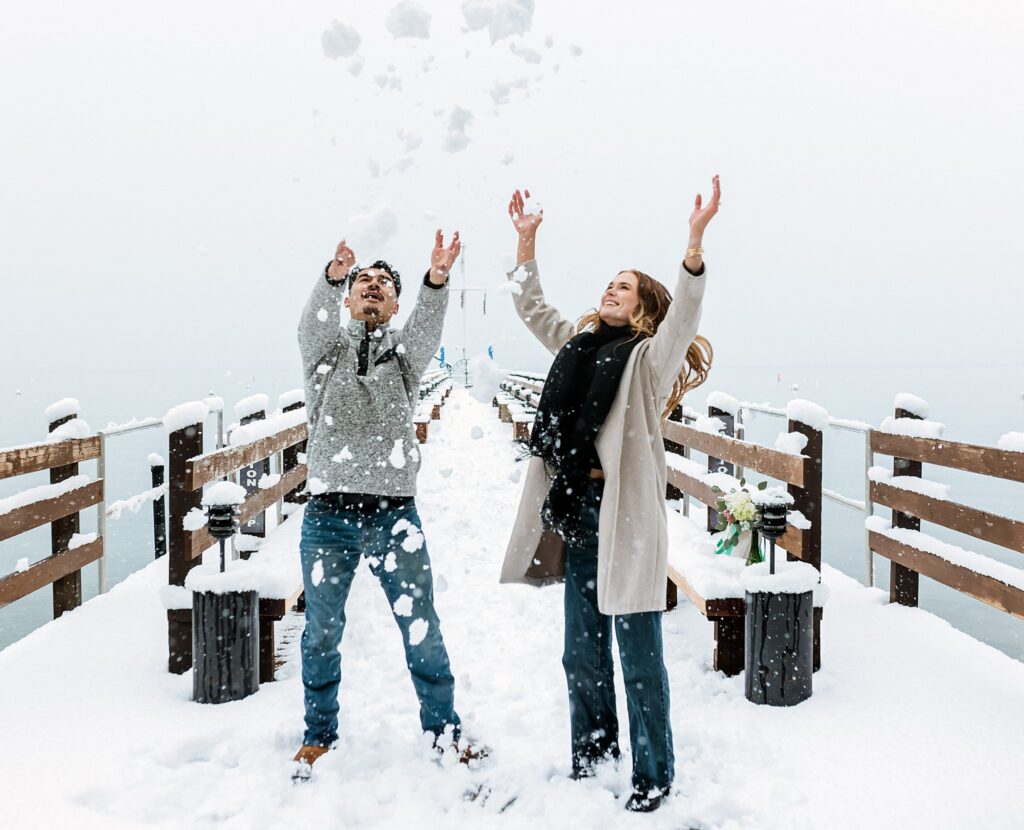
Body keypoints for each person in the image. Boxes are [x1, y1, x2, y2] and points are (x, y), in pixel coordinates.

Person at [499, 179, 719, 812]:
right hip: (577, 514)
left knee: (640, 656)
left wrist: (694, 246)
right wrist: (525, 243)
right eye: (609, 282)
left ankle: (653, 775)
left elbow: (685, 320)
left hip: (626, 518)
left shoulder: (648, 360)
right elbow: (534, 310)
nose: (610, 289)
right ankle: (593, 756)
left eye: (624, 285)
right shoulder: (579, 346)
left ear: (644, 305)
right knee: (581, 650)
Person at [292, 230, 477, 779]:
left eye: (384, 286)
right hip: (327, 514)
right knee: (322, 630)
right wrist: (330, 277)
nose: (373, 289)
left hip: (395, 511)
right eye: (363, 283)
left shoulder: (405, 357)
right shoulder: (325, 354)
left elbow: (427, 326)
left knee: (421, 623)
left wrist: (436, 279)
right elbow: (312, 325)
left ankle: (444, 730)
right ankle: (318, 734)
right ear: (348, 298)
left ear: (395, 304)